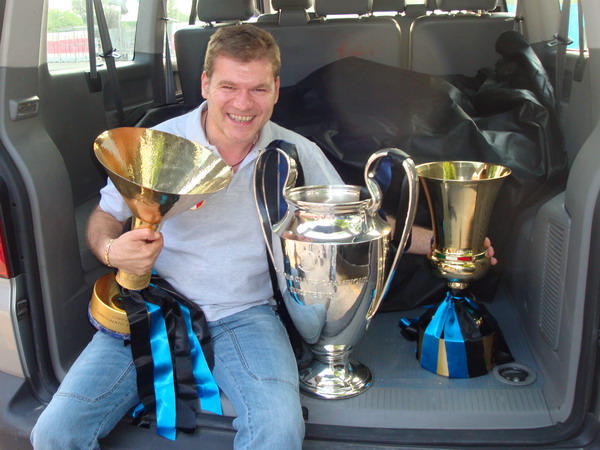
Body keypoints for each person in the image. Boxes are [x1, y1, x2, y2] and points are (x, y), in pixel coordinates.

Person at [31, 24, 494, 449]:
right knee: (53, 433)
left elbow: (355, 223)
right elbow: (104, 216)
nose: (243, 103)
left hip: (247, 315)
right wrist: (111, 250)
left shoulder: (296, 152)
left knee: (278, 429)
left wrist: (448, 246)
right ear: (205, 85)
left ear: (276, 89)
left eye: (258, 88)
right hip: (153, 308)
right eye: (229, 86)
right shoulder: (159, 142)